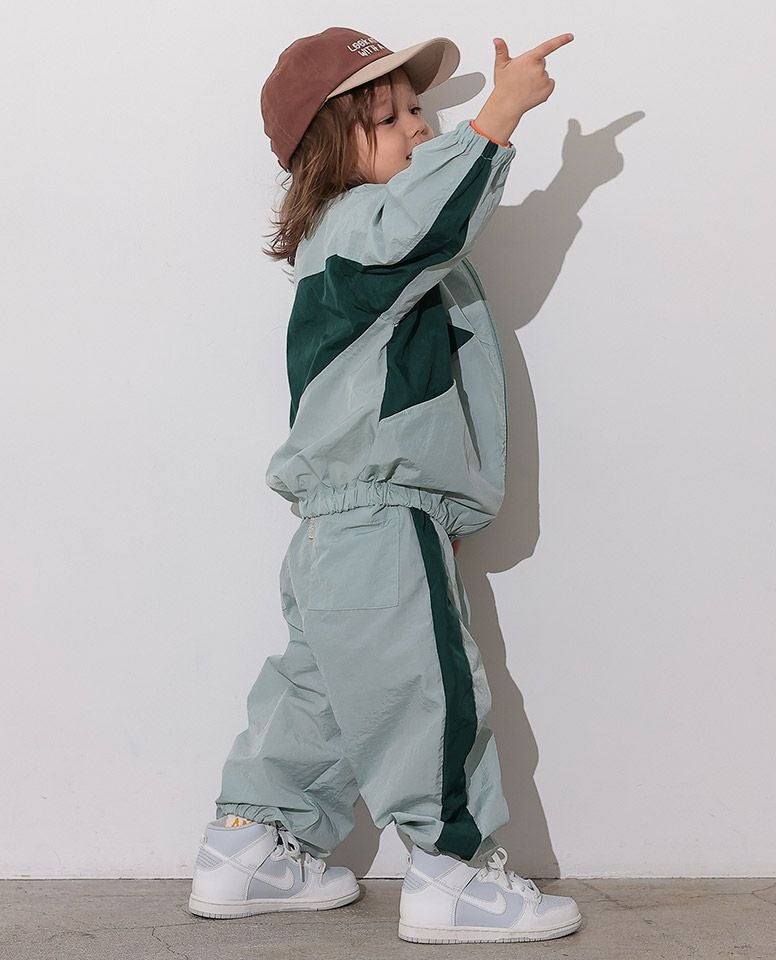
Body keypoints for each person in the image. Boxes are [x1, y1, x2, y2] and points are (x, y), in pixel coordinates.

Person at [187, 26, 581, 944]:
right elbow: (428, 217)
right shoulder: (365, 229)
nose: (419, 126)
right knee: (425, 693)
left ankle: (251, 846)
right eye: (391, 116)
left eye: (420, 109)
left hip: (333, 528)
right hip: (378, 514)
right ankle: (453, 876)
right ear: (331, 146)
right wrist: (498, 118)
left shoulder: (345, 250)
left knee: (318, 692)